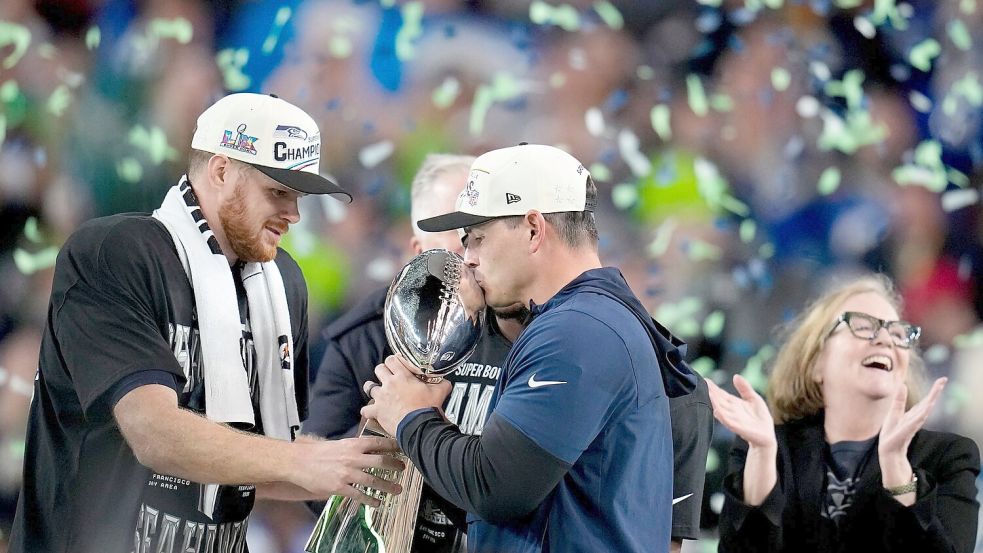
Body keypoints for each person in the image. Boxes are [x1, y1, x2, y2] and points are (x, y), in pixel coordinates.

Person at [9, 93, 403, 553]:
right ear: (220, 172)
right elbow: (152, 432)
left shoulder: (282, 284)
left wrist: (368, 463)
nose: (294, 214)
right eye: (278, 192)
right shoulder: (116, 253)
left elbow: (259, 463)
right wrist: (305, 461)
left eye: (298, 197)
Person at [306, 151, 713, 553]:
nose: (468, 258)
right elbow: (516, 500)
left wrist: (411, 417)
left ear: (533, 229)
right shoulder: (589, 320)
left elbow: (494, 489)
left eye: (477, 238)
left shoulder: (576, 330)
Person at [304, 153, 526, 552]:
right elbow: (313, 482)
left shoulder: (525, 325)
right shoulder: (367, 335)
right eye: (455, 231)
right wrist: (386, 423)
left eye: (479, 231)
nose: (469, 250)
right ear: (417, 248)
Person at [708, 275, 981, 552]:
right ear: (816, 362)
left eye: (898, 333)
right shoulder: (768, 449)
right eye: (862, 326)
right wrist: (763, 454)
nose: (885, 339)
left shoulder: (948, 457)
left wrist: (897, 472)